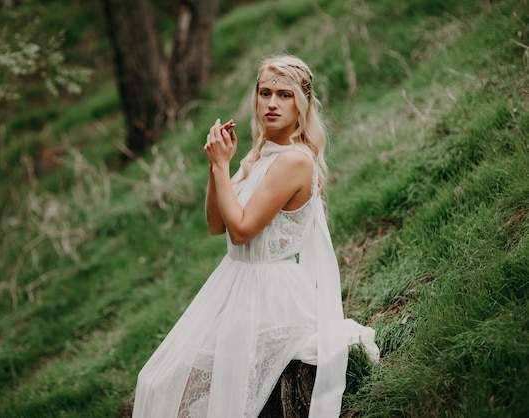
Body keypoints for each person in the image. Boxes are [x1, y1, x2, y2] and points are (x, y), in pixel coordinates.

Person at [132, 54, 379, 418]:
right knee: (158, 381)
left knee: (206, 391)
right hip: (236, 283)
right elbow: (218, 225)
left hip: (270, 290)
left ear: (302, 104)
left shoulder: (295, 161)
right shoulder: (260, 156)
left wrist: (220, 167)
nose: (272, 103)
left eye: (284, 95)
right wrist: (220, 166)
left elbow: (243, 230)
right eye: (265, 93)